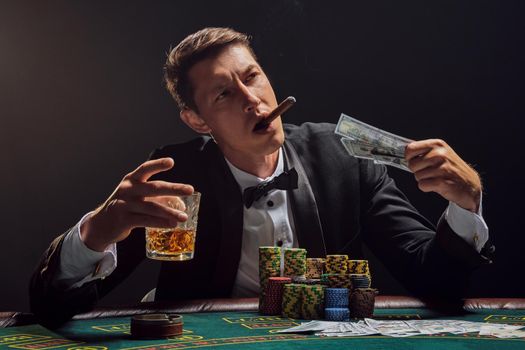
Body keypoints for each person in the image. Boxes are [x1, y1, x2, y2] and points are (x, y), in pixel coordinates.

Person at [30, 27, 492, 327]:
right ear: (196, 120)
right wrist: (94, 234)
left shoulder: (343, 155)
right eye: (224, 95)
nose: (253, 101)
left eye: (253, 77)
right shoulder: (176, 176)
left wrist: (465, 204)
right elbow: (54, 306)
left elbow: (438, 282)